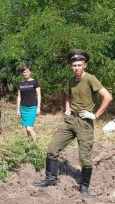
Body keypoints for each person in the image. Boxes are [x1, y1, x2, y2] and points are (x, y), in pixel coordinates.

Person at [33, 49, 113, 195]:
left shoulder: (90, 79)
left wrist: (94, 115)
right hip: (70, 120)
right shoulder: (70, 81)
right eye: (74, 65)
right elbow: (69, 96)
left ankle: (84, 187)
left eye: (79, 65)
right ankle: (51, 179)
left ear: (85, 65)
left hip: (84, 122)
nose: (76, 68)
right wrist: (67, 109)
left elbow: (108, 97)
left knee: (85, 157)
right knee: (52, 147)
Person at [16, 66, 41, 141]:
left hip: (32, 108)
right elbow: (19, 97)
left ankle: (35, 145)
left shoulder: (35, 82)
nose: (25, 73)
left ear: (30, 72)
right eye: (24, 72)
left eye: (27, 71)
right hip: (23, 108)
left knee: (30, 128)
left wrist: (38, 107)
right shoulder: (20, 84)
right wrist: (18, 109)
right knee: (27, 128)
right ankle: (30, 145)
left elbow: (39, 95)